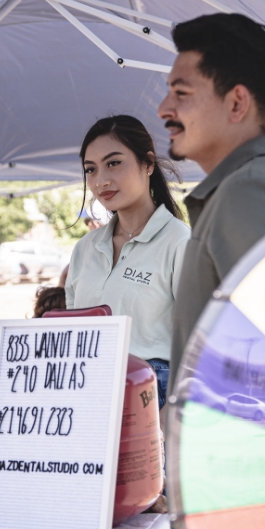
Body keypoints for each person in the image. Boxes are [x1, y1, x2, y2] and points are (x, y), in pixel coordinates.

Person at [157, 13, 265, 395]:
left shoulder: (250, 193)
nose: (164, 108)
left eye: (181, 93)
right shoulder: (252, 185)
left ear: (236, 103)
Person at [65, 115, 190, 409]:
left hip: (152, 398)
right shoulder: (85, 249)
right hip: (87, 393)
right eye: (90, 170)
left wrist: (170, 416)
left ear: (148, 164)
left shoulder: (179, 241)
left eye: (113, 163)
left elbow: (197, 342)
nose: (100, 181)